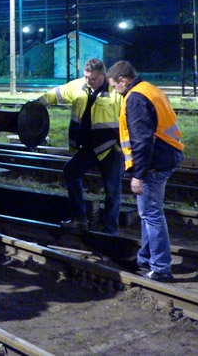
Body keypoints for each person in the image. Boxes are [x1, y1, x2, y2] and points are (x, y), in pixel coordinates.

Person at [107, 60, 184, 282]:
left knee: (151, 214)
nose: (114, 90)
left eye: (114, 86)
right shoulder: (150, 89)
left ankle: (160, 268)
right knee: (147, 213)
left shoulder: (135, 98)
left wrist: (138, 175)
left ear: (123, 80)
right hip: (168, 154)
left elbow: (142, 141)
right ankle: (145, 259)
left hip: (154, 162)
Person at [37, 58, 123, 234]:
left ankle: (110, 230)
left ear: (103, 75)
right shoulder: (79, 86)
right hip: (89, 148)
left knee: (112, 189)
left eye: (93, 78)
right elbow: (55, 94)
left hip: (111, 148)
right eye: (86, 77)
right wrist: (36, 104)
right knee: (71, 171)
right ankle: (79, 219)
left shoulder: (116, 92)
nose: (89, 81)